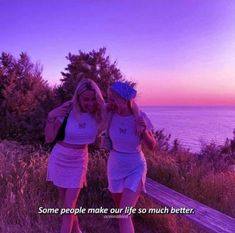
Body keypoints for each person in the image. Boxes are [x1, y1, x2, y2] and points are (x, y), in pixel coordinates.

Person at [45, 78, 105, 233]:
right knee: (67, 203)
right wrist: (50, 116)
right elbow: (49, 138)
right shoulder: (67, 110)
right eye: (86, 99)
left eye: (93, 99)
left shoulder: (99, 115)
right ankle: (77, 231)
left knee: (69, 205)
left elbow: (123, 109)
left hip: (79, 160)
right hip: (59, 158)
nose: (90, 103)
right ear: (77, 97)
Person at [104, 81, 156, 233]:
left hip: (135, 166)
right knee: (122, 212)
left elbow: (152, 146)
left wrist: (143, 131)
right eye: (109, 98)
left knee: (123, 214)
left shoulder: (140, 117)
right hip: (115, 166)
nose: (109, 102)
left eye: (112, 99)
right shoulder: (110, 115)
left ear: (124, 100)